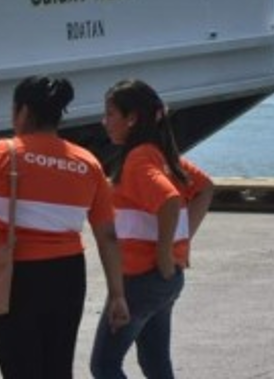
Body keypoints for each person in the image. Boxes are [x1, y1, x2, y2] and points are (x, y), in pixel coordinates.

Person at [0, 76, 129, 379]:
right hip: (68, 277)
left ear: (22, 111)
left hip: (15, 277)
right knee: (58, 369)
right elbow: (108, 237)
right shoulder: (87, 163)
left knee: (20, 369)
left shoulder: (0, 154)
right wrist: (117, 294)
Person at [90, 79, 214, 379]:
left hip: (140, 279)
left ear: (131, 118)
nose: (103, 121)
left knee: (105, 366)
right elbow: (205, 187)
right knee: (156, 363)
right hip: (165, 280)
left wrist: (163, 253)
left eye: (109, 114)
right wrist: (179, 247)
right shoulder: (162, 155)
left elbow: (169, 202)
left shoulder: (138, 160)